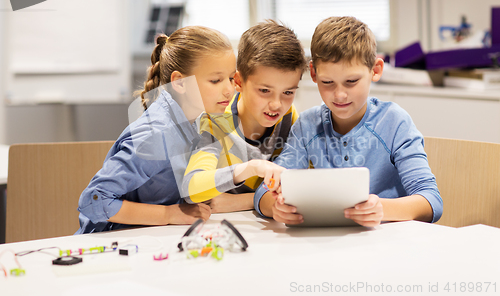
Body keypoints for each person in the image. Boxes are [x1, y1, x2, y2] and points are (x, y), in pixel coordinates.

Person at [255, 16, 443, 227]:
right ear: (314, 74)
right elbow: (264, 190)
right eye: (328, 82)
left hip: (388, 241)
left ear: (376, 70)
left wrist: (381, 210)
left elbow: (431, 201)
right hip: (329, 243)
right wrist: (275, 207)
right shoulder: (307, 125)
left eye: (351, 81)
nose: (340, 95)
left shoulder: (394, 122)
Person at [76, 26, 236, 233]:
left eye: (231, 78)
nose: (229, 89)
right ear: (180, 83)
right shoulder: (157, 135)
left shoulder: (195, 119)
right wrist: (167, 215)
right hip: (112, 243)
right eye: (216, 80)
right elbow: (94, 200)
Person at [182, 20, 307, 213]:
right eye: (265, 90)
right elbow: (192, 188)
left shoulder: (289, 116)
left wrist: (243, 201)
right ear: (239, 82)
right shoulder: (214, 121)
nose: (276, 104)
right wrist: (253, 167)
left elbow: (302, 181)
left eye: (288, 92)